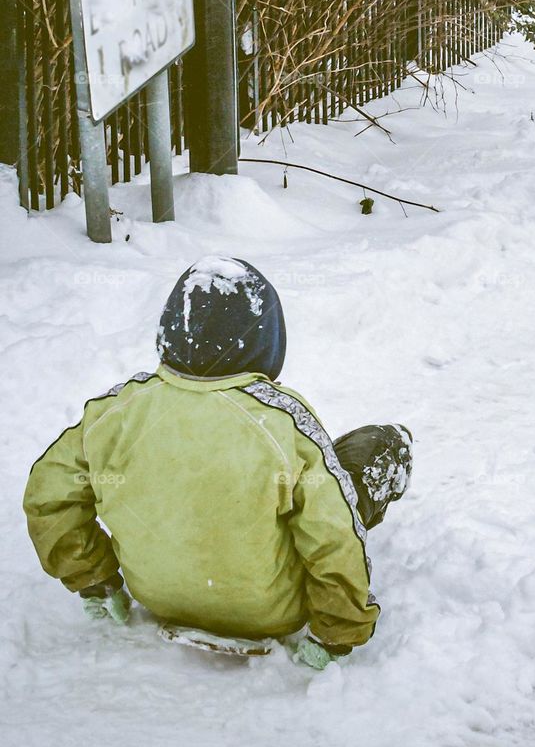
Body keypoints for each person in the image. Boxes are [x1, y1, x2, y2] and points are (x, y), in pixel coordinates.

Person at [22, 256, 411, 671]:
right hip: (271, 613)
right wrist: (337, 632)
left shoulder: (117, 412)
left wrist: (94, 580)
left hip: (158, 595)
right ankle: (392, 449)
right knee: (376, 448)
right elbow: (332, 533)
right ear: (266, 339)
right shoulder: (282, 425)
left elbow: (50, 496)